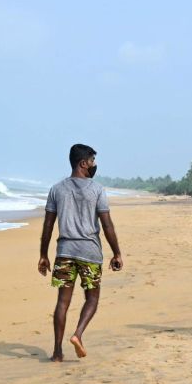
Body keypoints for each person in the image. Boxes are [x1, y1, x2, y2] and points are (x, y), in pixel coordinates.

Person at [38, 144, 123, 361]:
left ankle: (57, 352)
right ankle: (77, 334)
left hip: (64, 252)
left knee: (62, 302)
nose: (94, 165)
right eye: (92, 161)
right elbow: (107, 225)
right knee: (92, 298)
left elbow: (48, 225)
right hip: (90, 252)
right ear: (83, 163)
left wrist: (43, 254)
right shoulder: (97, 190)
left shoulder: (57, 189)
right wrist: (117, 253)